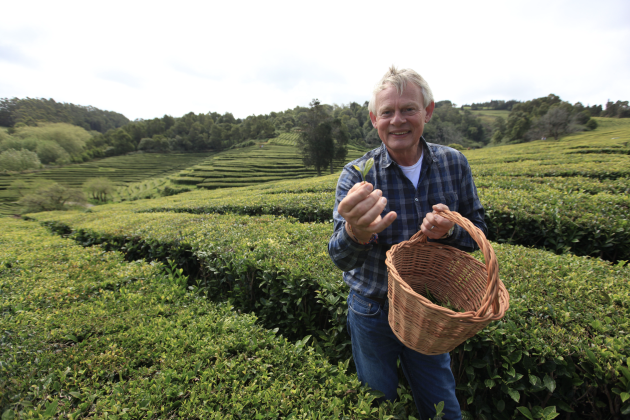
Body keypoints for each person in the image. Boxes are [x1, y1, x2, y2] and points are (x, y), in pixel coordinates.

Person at [328, 66, 487, 420]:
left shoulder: (454, 163)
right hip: (372, 309)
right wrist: (357, 232)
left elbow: (479, 229)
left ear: (427, 111)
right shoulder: (356, 175)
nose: (397, 120)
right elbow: (339, 257)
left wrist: (448, 232)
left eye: (408, 109)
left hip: (428, 311)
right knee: (377, 403)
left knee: (442, 407)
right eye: (387, 112)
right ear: (374, 118)